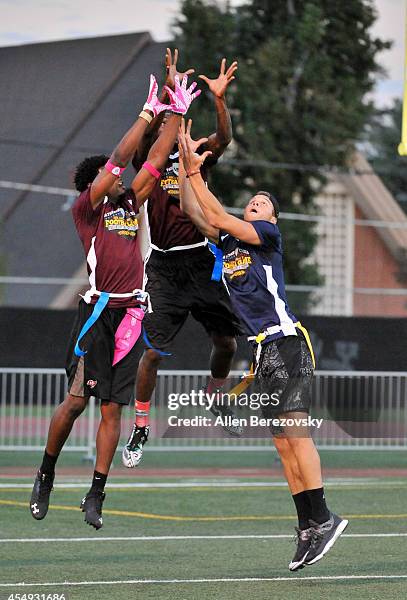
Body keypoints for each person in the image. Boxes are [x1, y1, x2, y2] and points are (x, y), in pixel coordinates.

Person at [29, 72, 200, 530]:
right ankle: (45, 473)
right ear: (97, 187)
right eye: (110, 177)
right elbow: (122, 159)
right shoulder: (90, 211)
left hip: (129, 315)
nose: (120, 178)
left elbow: (157, 158)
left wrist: (175, 113)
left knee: (111, 409)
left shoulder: (133, 203)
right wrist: (147, 113)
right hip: (96, 313)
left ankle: (96, 493)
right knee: (76, 403)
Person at [177, 118, 348, 569]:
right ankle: (309, 526)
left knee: (297, 434)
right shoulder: (230, 246)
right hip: (263, 352)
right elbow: (196, 214)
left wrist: (196, 170)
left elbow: (214, 213)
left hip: (287, 342)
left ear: (270, 218)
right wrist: (181, 160)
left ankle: (325, 516)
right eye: (251, 201)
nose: (254, 204)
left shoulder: (268, 238)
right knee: (281, 443)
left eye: (261, 203)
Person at [122, 51, 243, 470]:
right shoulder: (151, 160)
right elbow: (147, 135)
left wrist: (220, 101)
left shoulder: (196, 152)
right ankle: (139, 426)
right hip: (164, 267)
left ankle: (214, 396)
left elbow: (223, 140)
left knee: (226, 341)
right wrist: (169, 87)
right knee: (152, 353)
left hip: (201, 259)